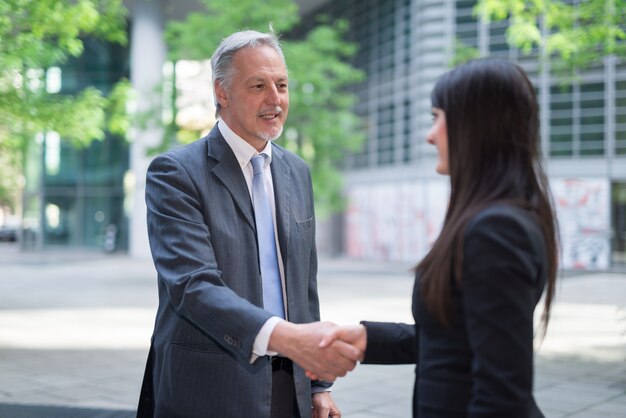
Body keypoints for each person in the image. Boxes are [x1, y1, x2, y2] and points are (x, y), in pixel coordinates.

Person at [317, 58, 559, 417]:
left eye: (437, 117)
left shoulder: (496, 230)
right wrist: (371, 340)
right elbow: (459, 341)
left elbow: (502, 394)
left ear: (476, 125)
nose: (430, 135)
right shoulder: (494, 217)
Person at [137, 30, 360, 418]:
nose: (275, 99)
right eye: (258, 86)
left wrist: (318, 383)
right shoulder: (175, 173)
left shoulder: (296, 171)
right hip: (210, 388)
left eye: (282, 85)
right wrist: (290, 339)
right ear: (221, 93)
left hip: (289, 386)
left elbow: (303, 287)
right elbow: (193, 287)